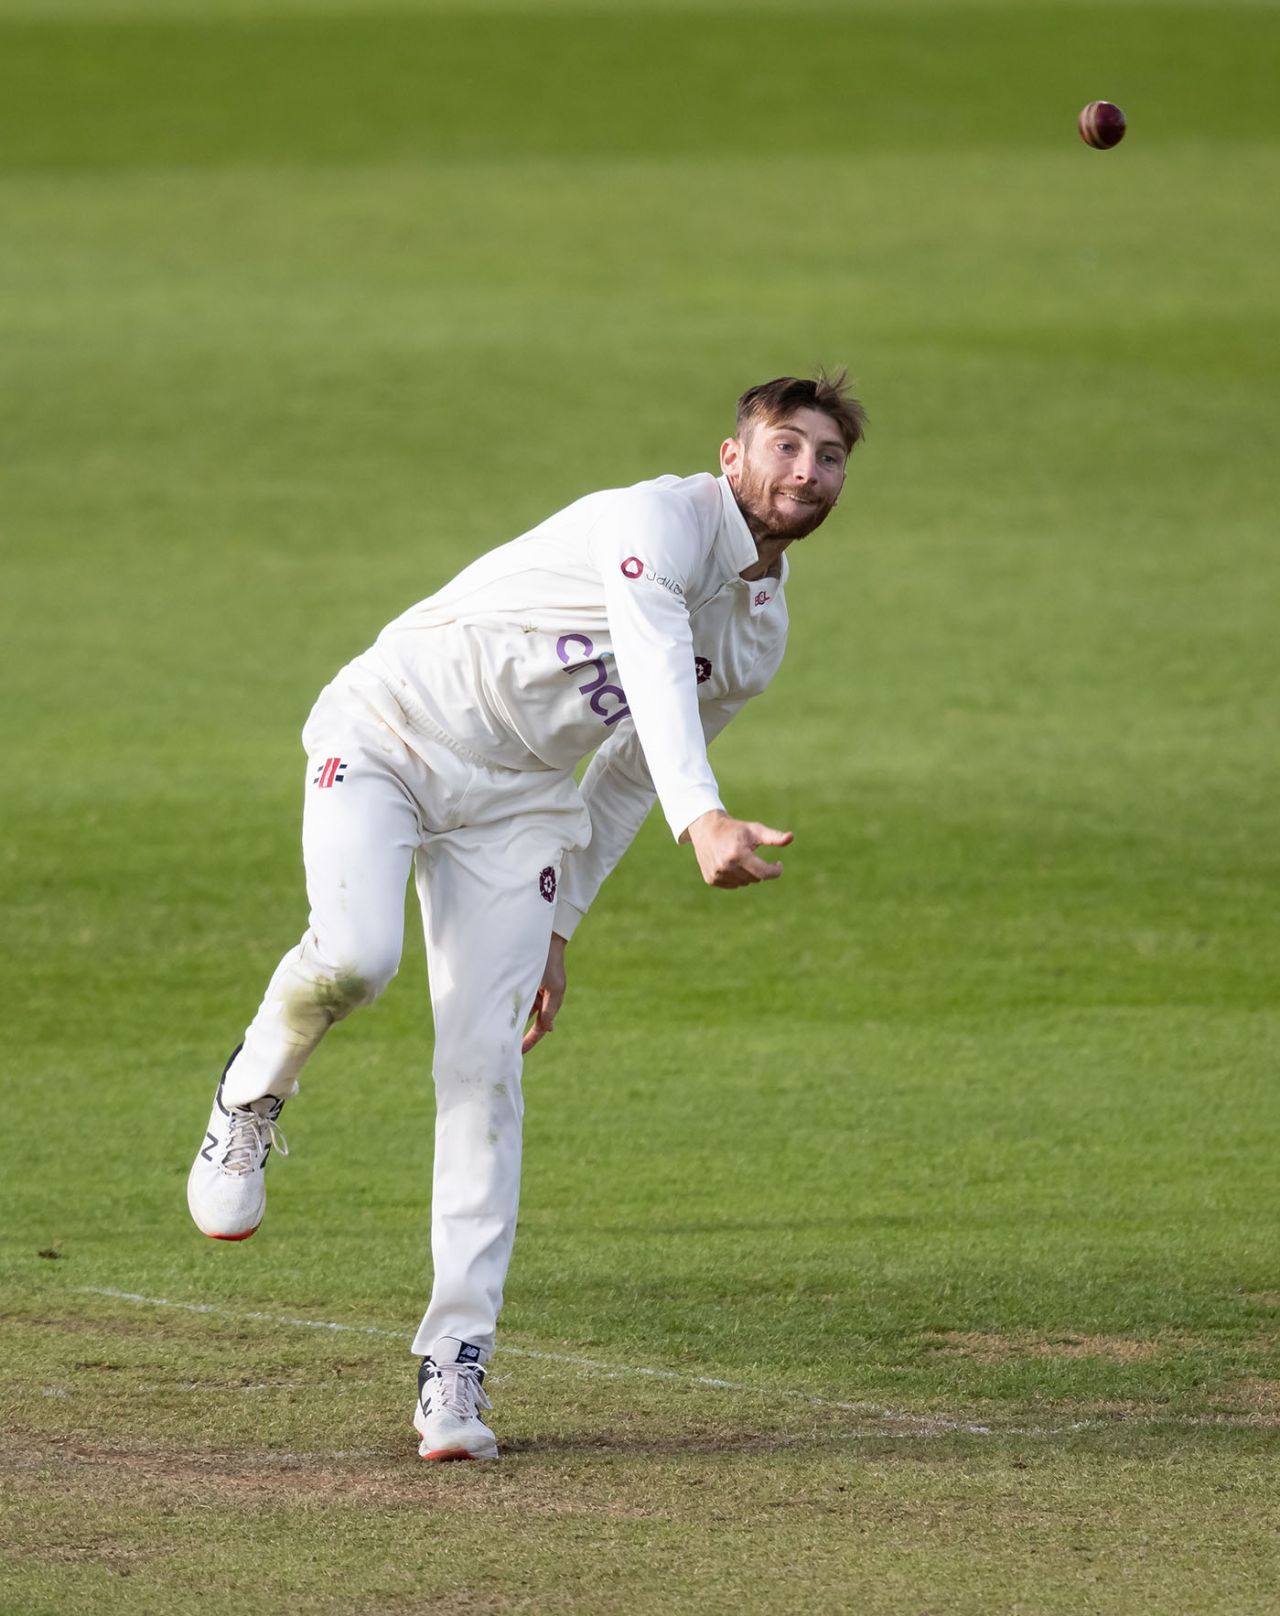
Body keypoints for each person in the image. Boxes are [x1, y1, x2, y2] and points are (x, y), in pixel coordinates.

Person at [187, 370, 867, 1460]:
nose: (804, 470)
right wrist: (706, 820)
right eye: (783, 446)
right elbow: (646, 657)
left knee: (484, 1063)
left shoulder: (755, 635)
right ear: (731, 455)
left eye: (827, 456)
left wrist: (563, 926)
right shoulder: (655, 518)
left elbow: (626, 772)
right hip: (390, 733)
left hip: (515, 809)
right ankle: (250, 1091)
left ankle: (453, 1365)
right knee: (356, 961)